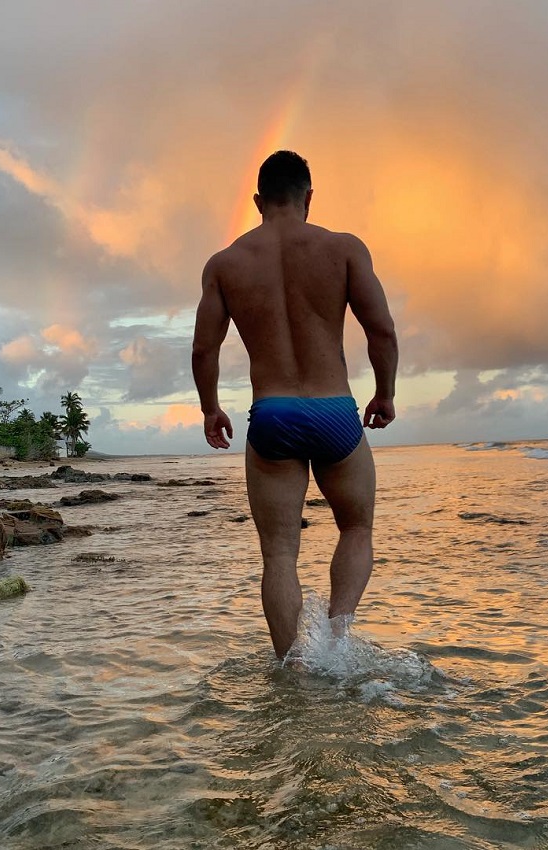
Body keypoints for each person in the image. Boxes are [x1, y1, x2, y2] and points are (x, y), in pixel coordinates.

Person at [192, 150, 398, 659]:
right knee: (356, 527)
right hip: (334, 410)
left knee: (279, 553)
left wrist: (210, 408)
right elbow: (382, 330)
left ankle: (292, 669)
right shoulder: (344, 249)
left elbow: (203, 349)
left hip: (272, 414)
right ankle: (336, 641)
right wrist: (385, 392)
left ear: (259, 201)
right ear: (308, 196)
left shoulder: (225, 264)